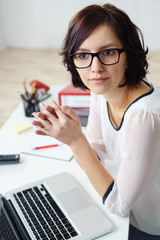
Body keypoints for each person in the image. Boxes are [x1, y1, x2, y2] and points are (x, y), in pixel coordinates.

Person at [32, 3, 160, 240]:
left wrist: (76, 141)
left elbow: (119, 204)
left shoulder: (144, 116)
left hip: (149, 226)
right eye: (83, 55)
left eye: (108, 52)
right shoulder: (101, 91)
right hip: (131, 214)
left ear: (128, 56)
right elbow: (98, 149)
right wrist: (71, 135)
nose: (95, 68)